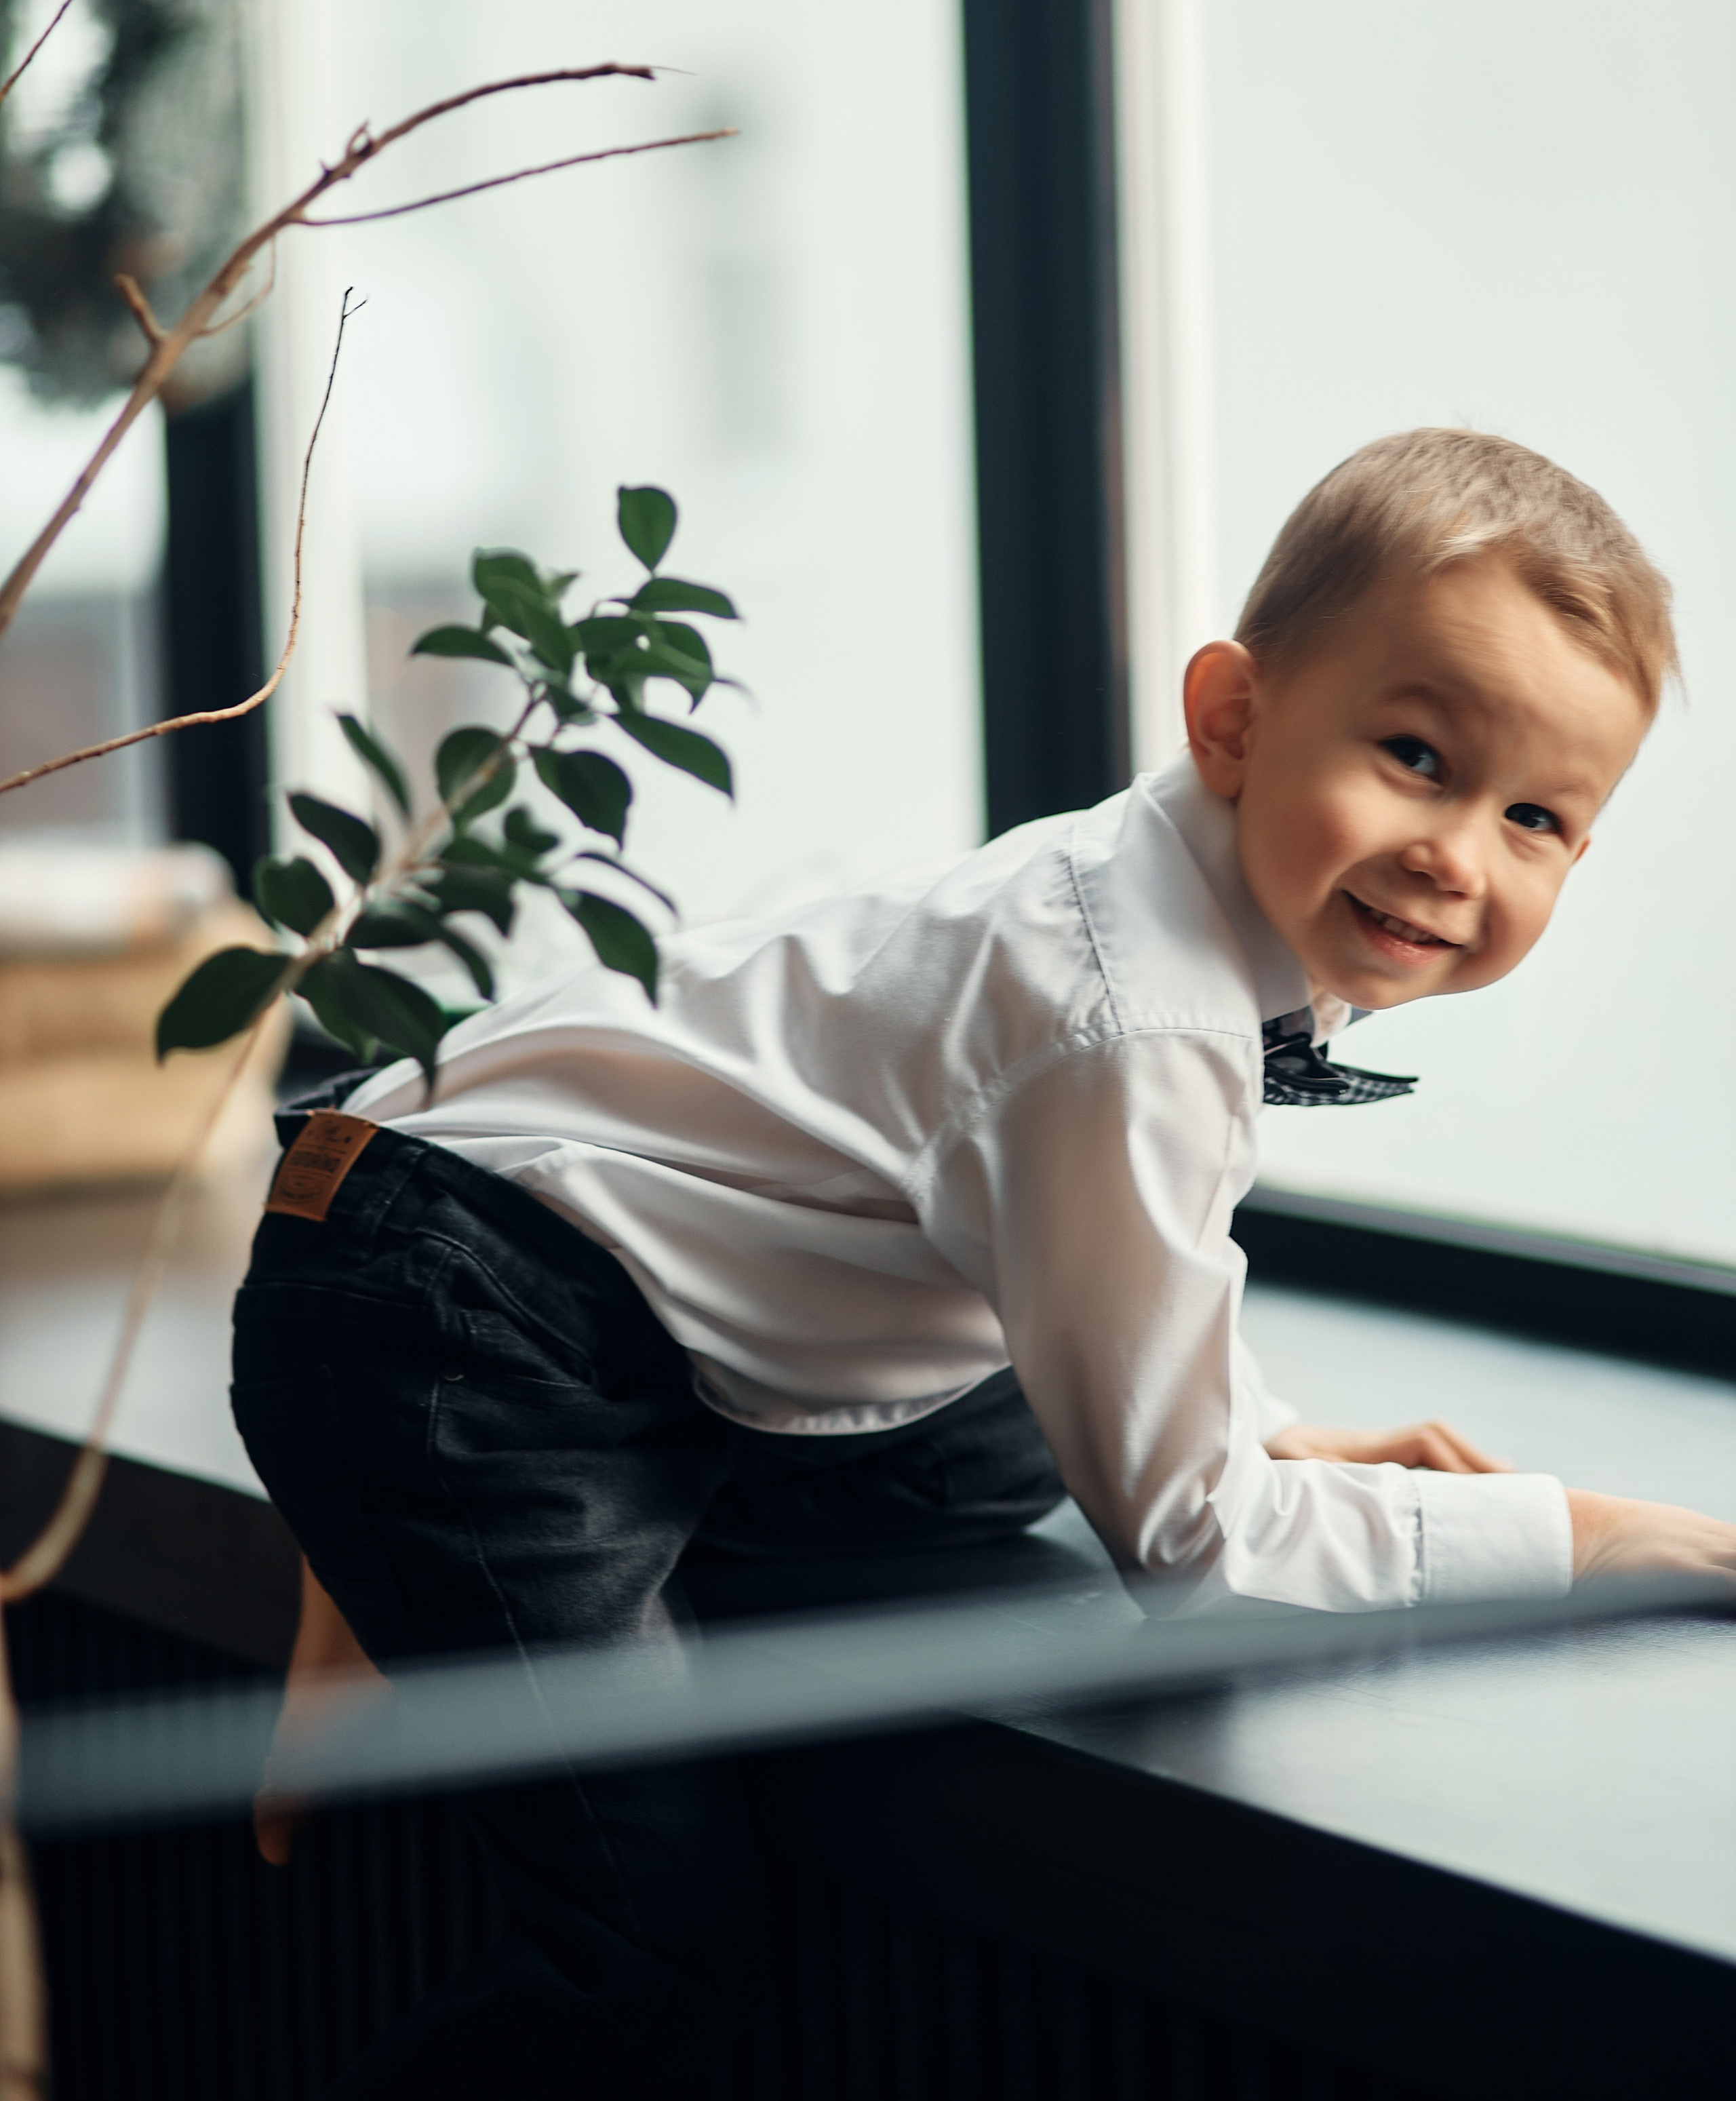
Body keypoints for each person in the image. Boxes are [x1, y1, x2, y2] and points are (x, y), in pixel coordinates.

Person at [232, 429, 1736, 2096]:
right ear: (1231, 719)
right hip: (450, 1310)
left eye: (1531, 815)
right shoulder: (1137, 1012)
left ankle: (422, 1550)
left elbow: (1097, 1282)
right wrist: (1573, 1536)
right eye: (1410, 754)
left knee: (1018, 1422)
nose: (1457, 852)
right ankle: (405, 1529)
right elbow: (1193, 1546)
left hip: (576, 1273)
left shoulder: (1161, 891)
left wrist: (1257, 1417)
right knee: (652, 1940)